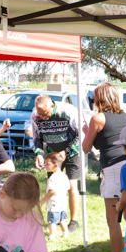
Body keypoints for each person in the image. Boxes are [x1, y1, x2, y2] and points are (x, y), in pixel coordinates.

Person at [82, 83, 126, 252]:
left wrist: (87, 132)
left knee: (113, 221)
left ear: (99, 98)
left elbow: (86, 148)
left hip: (113, 171)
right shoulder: (124, 116)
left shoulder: (98, 118)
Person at [26, 94, 81, 233]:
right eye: (40, 114)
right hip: (51, 154)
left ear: (52, 105)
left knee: (71, 184)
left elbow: (81, 134)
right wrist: (39, 154)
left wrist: (66, 151)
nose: (43, 117)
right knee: (53, 185)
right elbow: (37, 137)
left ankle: (73, 221)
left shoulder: (67, 111)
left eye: (46, 114)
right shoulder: (35, 115)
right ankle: (56, 217)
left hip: (72, 151)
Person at [41, 151, 70, 236]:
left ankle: (52, 236)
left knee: (52, 221)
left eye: (47, 164)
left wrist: (43, 200)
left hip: (54, 204)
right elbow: (68, 187)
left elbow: (52, 191)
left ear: (55, 165)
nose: (45, 166)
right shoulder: (64, 176)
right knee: (62, 219)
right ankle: (65, 233)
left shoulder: (53, 178)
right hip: (63, 203)